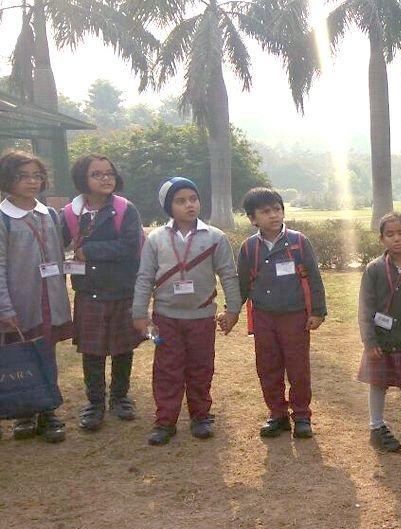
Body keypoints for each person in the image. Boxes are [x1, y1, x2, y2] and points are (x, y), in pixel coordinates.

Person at [131, 177, 242, 446]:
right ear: (169, 207)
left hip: (202, 317)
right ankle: (165, 421)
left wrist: (233, 309)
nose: (189, 205)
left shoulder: (215, 237)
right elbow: (145, 277)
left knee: (201, 368)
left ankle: (201, 417)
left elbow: (228, 274)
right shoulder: (156, 239)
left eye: (193, 199)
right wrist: (139, 314)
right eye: (181, 201)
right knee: (167, 369)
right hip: (166, 318)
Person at [60, 154, 146, 431]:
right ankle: (94, 403)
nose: (105, 178)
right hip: (88, 292)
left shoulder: (124, 209)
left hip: (122, 290)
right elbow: (58, 245)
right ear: (82, 179)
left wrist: (90, 251)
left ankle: (120, 398)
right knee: (91, 351)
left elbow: (130, 247)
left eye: (109, 172)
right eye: (96, 174)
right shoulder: (70, 214)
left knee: (123, 348)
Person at [237, 187, 327, 440]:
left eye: (277, 209)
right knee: (268, 367)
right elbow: (242, 284)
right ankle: (277, 415)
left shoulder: (299, 242)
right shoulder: (249, 248)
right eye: (266, 212)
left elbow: (315, 279)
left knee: (298, 368)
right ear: (253, 219)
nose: (274, 215)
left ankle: (301, 416)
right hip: (264, 317)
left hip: (295, 316)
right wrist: (231, 310)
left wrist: (318, 312)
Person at [0, 151, 72, 443]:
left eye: (37, 176)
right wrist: (5, 307)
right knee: (21, 356)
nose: (32, 182)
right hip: (20, 302)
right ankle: (23, 413)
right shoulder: (3, 218)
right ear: (8, 180)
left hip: (49, 299)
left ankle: (48, 411)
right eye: (23, 176)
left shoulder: (49, 214)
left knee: (46, 355)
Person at [357, 212, 401, 453]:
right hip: (380, 341)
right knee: (377, 384)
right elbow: (365, 308)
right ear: (381, 239)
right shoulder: (374, 270)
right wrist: (369, 341)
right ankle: (376, 428)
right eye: (390, 234)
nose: (396, 239)